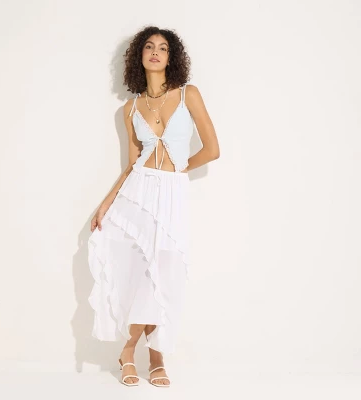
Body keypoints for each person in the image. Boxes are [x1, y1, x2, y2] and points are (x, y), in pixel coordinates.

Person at [88, 26, 220, 387]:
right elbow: (131, 165)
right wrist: (106, 203)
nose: (156, 52)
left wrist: (179, 170)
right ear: (140, 56)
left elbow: (212, 149)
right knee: (139, 272)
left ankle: (145, 352)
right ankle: (140, 353)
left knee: (166, 272)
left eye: (163, 47)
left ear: (172, 57)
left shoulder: (189, 94)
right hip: (138, 192)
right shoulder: (129, 109)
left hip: (172, 192)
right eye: (149, 46)